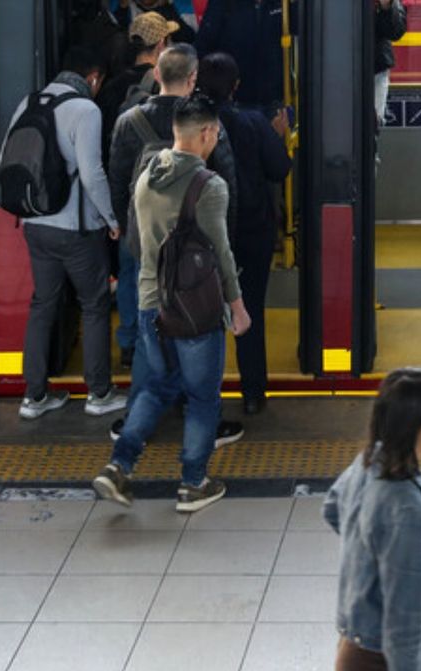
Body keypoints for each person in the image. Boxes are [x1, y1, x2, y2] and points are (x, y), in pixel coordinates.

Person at [92, 93, 251, 514]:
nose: (216, 139)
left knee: (157, 385)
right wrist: (236, 304)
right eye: (214, 133)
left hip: (150, 303)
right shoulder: (209, 186)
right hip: (194, 308)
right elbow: (221, 252)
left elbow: (136, 241)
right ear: (205, 134)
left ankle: (119, 464)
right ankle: (193, 483)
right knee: (202, 397)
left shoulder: (145, 176)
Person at [106, 43, 242, 444]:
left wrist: (132, 233)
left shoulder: (127, 122)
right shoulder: (206, 122)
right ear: (194, 78)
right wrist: (223, 247)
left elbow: (117, 184)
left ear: (157, 75)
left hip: (144, 245)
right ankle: (200, 419)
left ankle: (137, 420)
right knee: (196, 330)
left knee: (150, 329)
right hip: (196, 252)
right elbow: (227, 183)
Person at [3, 46, 128, 421]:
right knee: (93, 305)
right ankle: (99, 392)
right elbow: (92, 173)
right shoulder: (85, 110)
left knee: (43, 304)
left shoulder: (28, 104)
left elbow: (5, 162)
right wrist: (112, 219)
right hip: (76, 230)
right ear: (94, 78)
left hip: (35, 225)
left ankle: (34, 396)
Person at [323, 367, 421, 671]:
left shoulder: (371, 459)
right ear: (415, 425)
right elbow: (402, 625)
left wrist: (369, 558)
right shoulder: (405, 508)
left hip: (357, 644)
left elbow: (332, 508)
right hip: (382, 659)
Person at [198, 53, 292, 415]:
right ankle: (253, 393)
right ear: (235, 87)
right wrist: (277, 135)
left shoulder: (191, 124)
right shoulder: (252, 122)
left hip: (203, 235)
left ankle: (200, 394)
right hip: (252, 233)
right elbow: (280, 169)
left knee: (201, 313)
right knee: (249, 310)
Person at [96, 11, 179, 166]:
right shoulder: (163, 87)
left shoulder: (110, 86)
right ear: (161, 44)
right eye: (170, 41)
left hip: (117, 170)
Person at [196, 0, 291, 108]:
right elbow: (202, 48)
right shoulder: (222, 4)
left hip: (275, 100)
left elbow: (304, 31)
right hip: (233, 102)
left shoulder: (283, 3)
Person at [374, 0, 407, 126]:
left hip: (376, 69)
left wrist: (386, 7)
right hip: (338, 70)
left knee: (374, 126)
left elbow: (396, 32)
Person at [114, 0, 197, 45]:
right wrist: (123, 8)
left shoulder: (176, 6)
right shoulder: (125, 7)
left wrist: (167, 9)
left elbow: (188, 38)